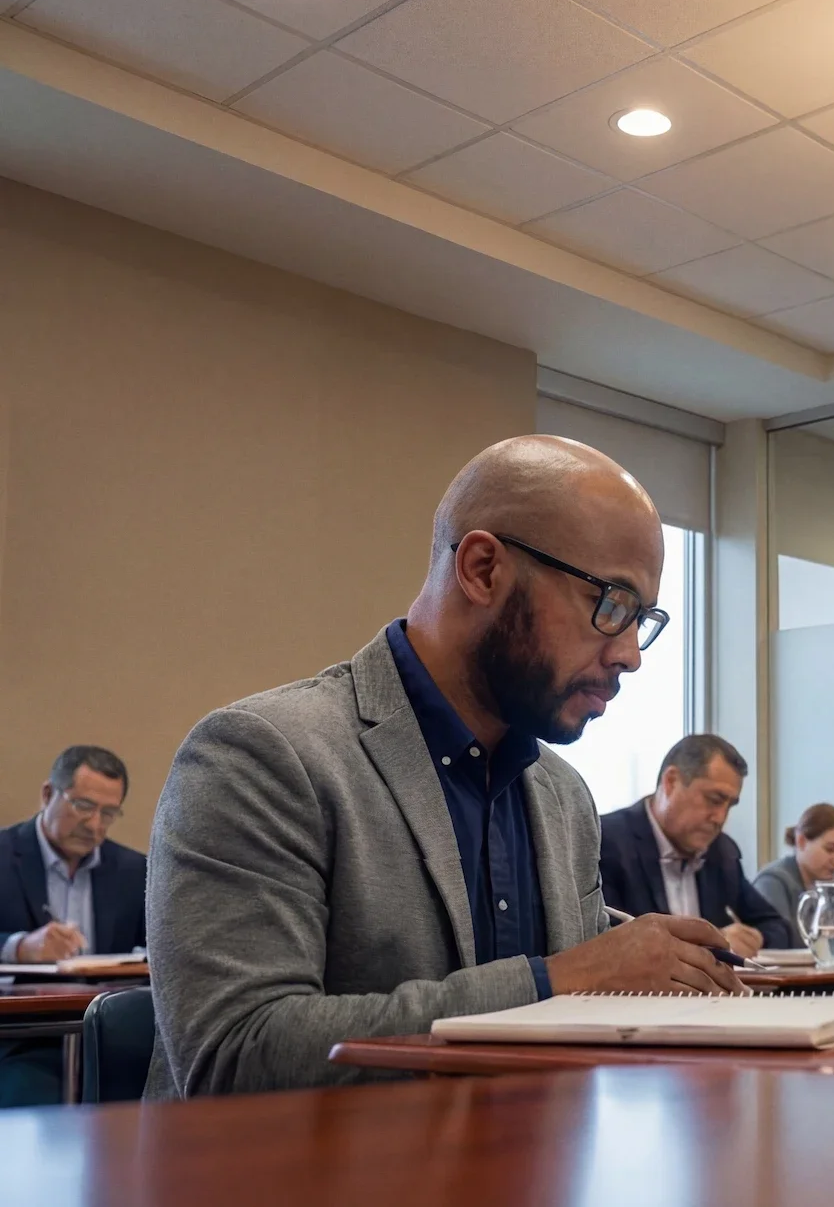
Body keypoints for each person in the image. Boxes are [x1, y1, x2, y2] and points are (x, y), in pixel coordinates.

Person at [146, 437, 743, 1099]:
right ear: (484, 569)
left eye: (644, 620)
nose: (630, 654)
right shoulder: (263, 756)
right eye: (611, 604)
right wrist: (556, 981)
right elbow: (234, 1054)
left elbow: (579, 989)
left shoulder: (562, 795)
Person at [0, 746, 146, 1106]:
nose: (94, 825)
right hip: (21, 1041)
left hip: (110, 1040)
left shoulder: (134, 871)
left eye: (108, 813)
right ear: (48, 794)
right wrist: (18, 947)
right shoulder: (4, 855)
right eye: (83, 806)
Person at [600, 735, 791, 953]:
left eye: (729, 806)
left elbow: (779, 928)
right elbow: (604, 939)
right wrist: (709, 943)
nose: (720, 818)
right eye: (714, 800)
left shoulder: (721, 851)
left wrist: (754, 938)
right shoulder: (608, 841)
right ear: (671, 781)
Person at [753, 803, 834, 941]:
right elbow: (779, 942)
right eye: (830, 849)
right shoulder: (772, 882)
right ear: (801, 841)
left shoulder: (832, 886)